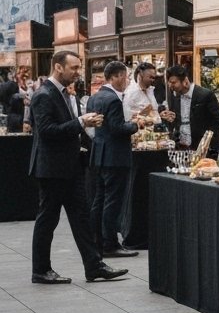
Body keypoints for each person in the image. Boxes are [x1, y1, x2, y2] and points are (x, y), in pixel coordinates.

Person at [28, 52, 128, 284]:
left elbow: (68, 129)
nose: (77, 72)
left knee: (81, 217)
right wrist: (82, 122)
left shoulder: (64, 94)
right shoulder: (44, 94)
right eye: (73, 68)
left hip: (70, 168)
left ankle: (94, 266)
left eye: (78, 67)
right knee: (48, 219)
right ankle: (41, 270)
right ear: (58, 67)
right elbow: (48, 131)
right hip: (52, 169)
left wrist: (87, 138)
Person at [87, 60, 150, 257]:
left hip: (100, 154)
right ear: (117, 77)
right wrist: (135, 125)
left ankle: (97, 240)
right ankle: (110, 244)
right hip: (115, 156)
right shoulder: (113, 99)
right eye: (126, 77)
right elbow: (116, 129)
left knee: (100, 199)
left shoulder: (95, 97)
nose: (127, 81)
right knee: (112, 202)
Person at [161, 65, 219, 158]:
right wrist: (169, 119)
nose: (170, 86)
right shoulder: (174, 96)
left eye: (173, 82)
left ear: (185, 81)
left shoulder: (205, 95)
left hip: (203, 150)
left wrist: (208, 144)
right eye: (169, 83)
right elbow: (176, 121)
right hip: (181, 149)